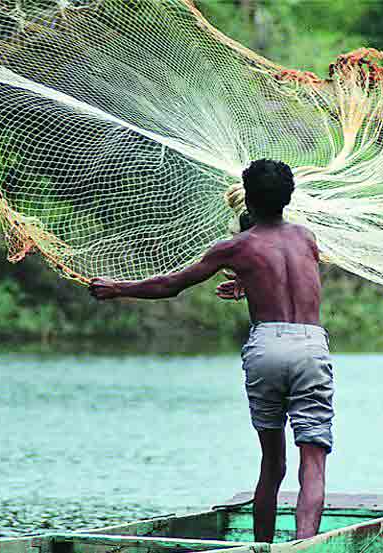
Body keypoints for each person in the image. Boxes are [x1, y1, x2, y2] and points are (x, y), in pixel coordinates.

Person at [89, 159, 334, 542]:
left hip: (267, 346)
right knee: (313, 459)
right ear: (289, 198)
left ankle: (262, 548)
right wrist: (247, 284)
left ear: (246, 201)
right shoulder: (306, 238)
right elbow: (297, 279)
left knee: (273, 462)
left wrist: (119, 288)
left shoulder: (236, 246)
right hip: (310, 345)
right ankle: (304, 546)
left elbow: (171, 284)